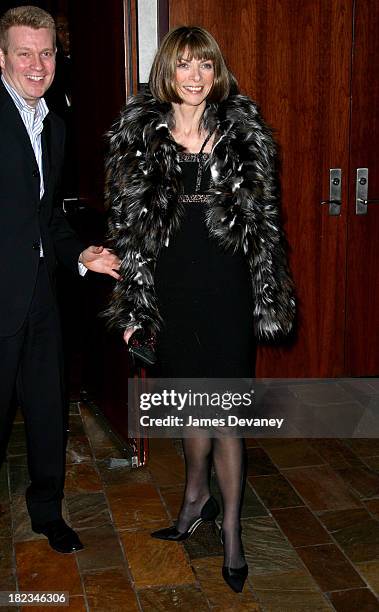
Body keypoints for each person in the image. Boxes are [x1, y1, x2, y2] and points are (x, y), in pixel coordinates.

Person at [105, 26, 295, 592]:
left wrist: (266, 294)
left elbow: (265, 229)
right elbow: (129, 233)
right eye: (185, 65)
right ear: (167, 70)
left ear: (217, 73)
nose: (195, 77)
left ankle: (232, 531)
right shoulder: (140, 139)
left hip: (227, 294)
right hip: (172, 295)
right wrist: (135, 306)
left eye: (205, 66)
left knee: (225, 414)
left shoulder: (242, 136)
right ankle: (195, 498)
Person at [0, 6, 120, 554]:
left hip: (42, 302)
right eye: (24, 52)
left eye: (45, 52)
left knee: (49, 414)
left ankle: (47, 512)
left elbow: (48, 221)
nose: (36, 63)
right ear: (2, 57)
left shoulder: (56, 126)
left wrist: (80, 255)